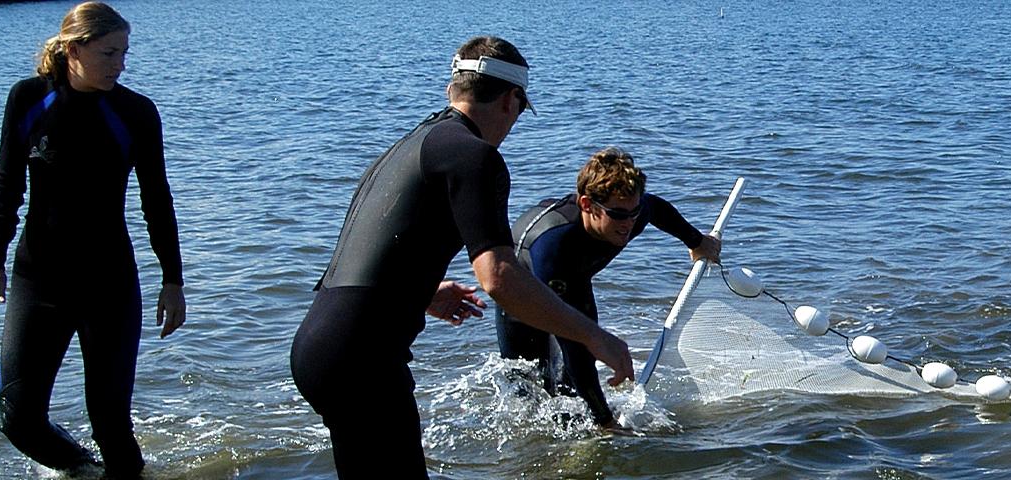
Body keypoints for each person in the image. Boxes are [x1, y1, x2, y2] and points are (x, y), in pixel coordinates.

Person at [288, 36, 635, 478]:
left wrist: (422, 292)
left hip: (321, 342)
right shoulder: (476, 157)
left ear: (456, 88)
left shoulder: (412, 144)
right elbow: (500, 278)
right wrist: (595, 337)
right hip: (362, 357)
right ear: (511, 100)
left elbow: (362, 254)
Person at [0, 2, 185, 477]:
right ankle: (83, 471)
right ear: (74, 49)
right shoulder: (29, 100)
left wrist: (173, 279)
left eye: (124, 53)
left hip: (108, 281)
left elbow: (157, 200)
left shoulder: (135, 112)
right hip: (39, 278)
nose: (120, 64)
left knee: (111, 423)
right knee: (20, 420)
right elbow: (7, 184)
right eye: (109, 53)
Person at [498, 147, 721, 428]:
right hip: (523, 294)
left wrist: (696, 242)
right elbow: (575, 344)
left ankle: (587, 421)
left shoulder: (630, 212)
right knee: (526, 387)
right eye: (618, 214)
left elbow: (656, 209)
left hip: (575, 278)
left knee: (570, 386)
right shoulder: (553, 247)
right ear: (587, 205)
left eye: (633, 212)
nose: (628, 224)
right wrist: (607, 423)